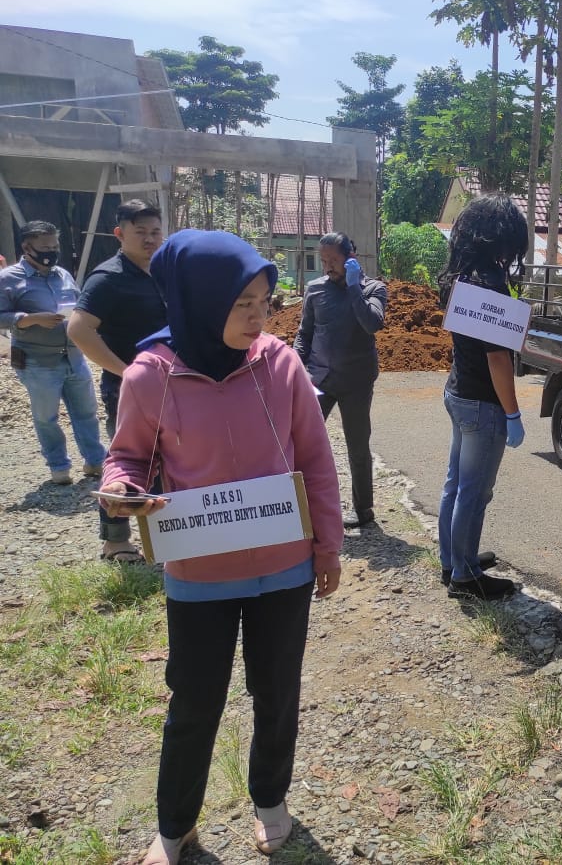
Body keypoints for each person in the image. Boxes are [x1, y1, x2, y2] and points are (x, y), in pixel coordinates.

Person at [98, 230, 343, 863]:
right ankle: (174, 826)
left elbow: (315, 459)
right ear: (199, 299)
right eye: (241, 304)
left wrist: (327, 547)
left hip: (282, 568)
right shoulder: (152, 373)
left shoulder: (280, 363)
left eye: (264, 300)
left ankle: (271, 800)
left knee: (277, 689)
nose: (258, 316)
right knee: (195, 701)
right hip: (199, 571)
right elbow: (126, 456)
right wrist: (120, 490)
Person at [437, 194, 527, 601]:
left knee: (455, 485)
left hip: (457, 391)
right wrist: (512, 413)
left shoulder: (460, 276)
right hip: (482, 403)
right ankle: (466, 575)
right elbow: (498, 359)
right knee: (475, 491)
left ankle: (452, 560)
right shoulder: (491, 284)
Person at [69, 199, 167, 563]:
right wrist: (124, 371)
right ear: (119, 234)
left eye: (155, 231)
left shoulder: (160, 271)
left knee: (165, 459)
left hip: (167, 385)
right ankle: (115, 541)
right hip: (128, 388)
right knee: (126, 459)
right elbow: (79, 329)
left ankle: (165, 534)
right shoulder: (109, 277)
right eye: (139, 232)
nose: (149, 239)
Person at [0, 220, 106, 485]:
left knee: (86, 412)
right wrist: (31, 318)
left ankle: (96, 462)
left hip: (73, 356)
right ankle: (59, 467)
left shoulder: (63, 275)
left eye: (54, 245)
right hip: (37, 360)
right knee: (46, 417)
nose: (51, 251)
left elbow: (80, 304)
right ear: (27, 247)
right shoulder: (9, 278)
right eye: (45, 246)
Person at [294, 232, 387, 529]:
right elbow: (304, 333)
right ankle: (300, 508)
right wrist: (297, 367)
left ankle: (363, 511)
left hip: (357, 382)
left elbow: (372, 324)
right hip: (319, 379)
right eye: (324, 260)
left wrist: (352, 288)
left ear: (351, 257)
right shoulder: (315, 289)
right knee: (301, 443)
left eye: (334, 260)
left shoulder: (373, 288)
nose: (328, 266)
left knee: (357, 447)